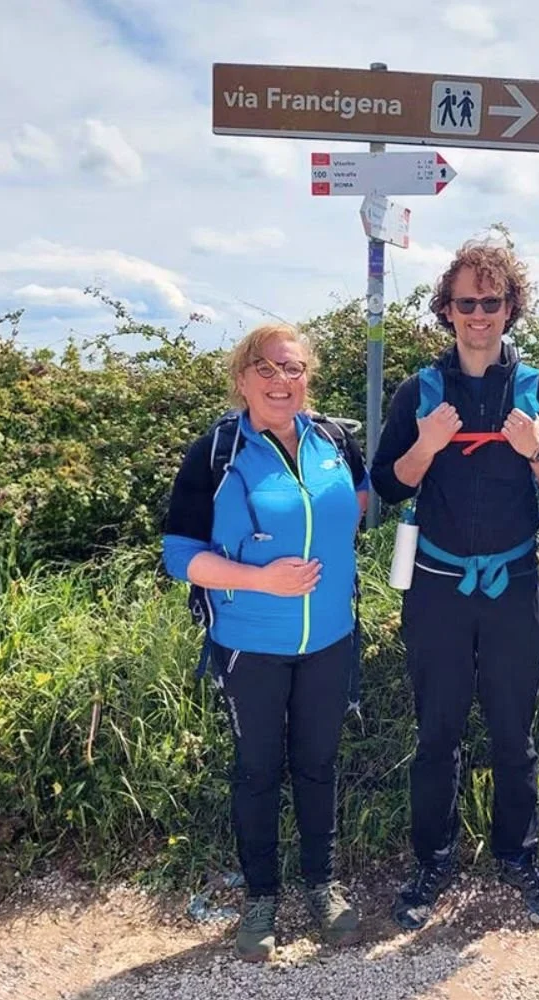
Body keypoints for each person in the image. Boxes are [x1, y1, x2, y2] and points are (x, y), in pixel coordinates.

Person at [370, 239, 539, 930]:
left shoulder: (538, 392)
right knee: (436, 732)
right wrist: (426, 445)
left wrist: (537, 450)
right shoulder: (419, 392)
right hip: (435, 586)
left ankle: (517, 859)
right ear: (447, 310)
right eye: (466, 303)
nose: (479, 316)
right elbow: (382, 483)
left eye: (492, 302)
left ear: (511, 308)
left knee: (512, 732)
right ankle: (431, 862)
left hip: (514, 586)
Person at [159, 323, 369, 962]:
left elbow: (360, 499)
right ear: (243, 377)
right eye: (269, 369)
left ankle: (322, 887)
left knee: (318, 764)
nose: (283, 382)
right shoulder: (216, 452)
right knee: (256, 771)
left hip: (330, 636)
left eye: (295, 369)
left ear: (310, 377)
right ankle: (260, 898)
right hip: (250, 643)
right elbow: (179, 556)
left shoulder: (333, 439)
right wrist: (259, 576)